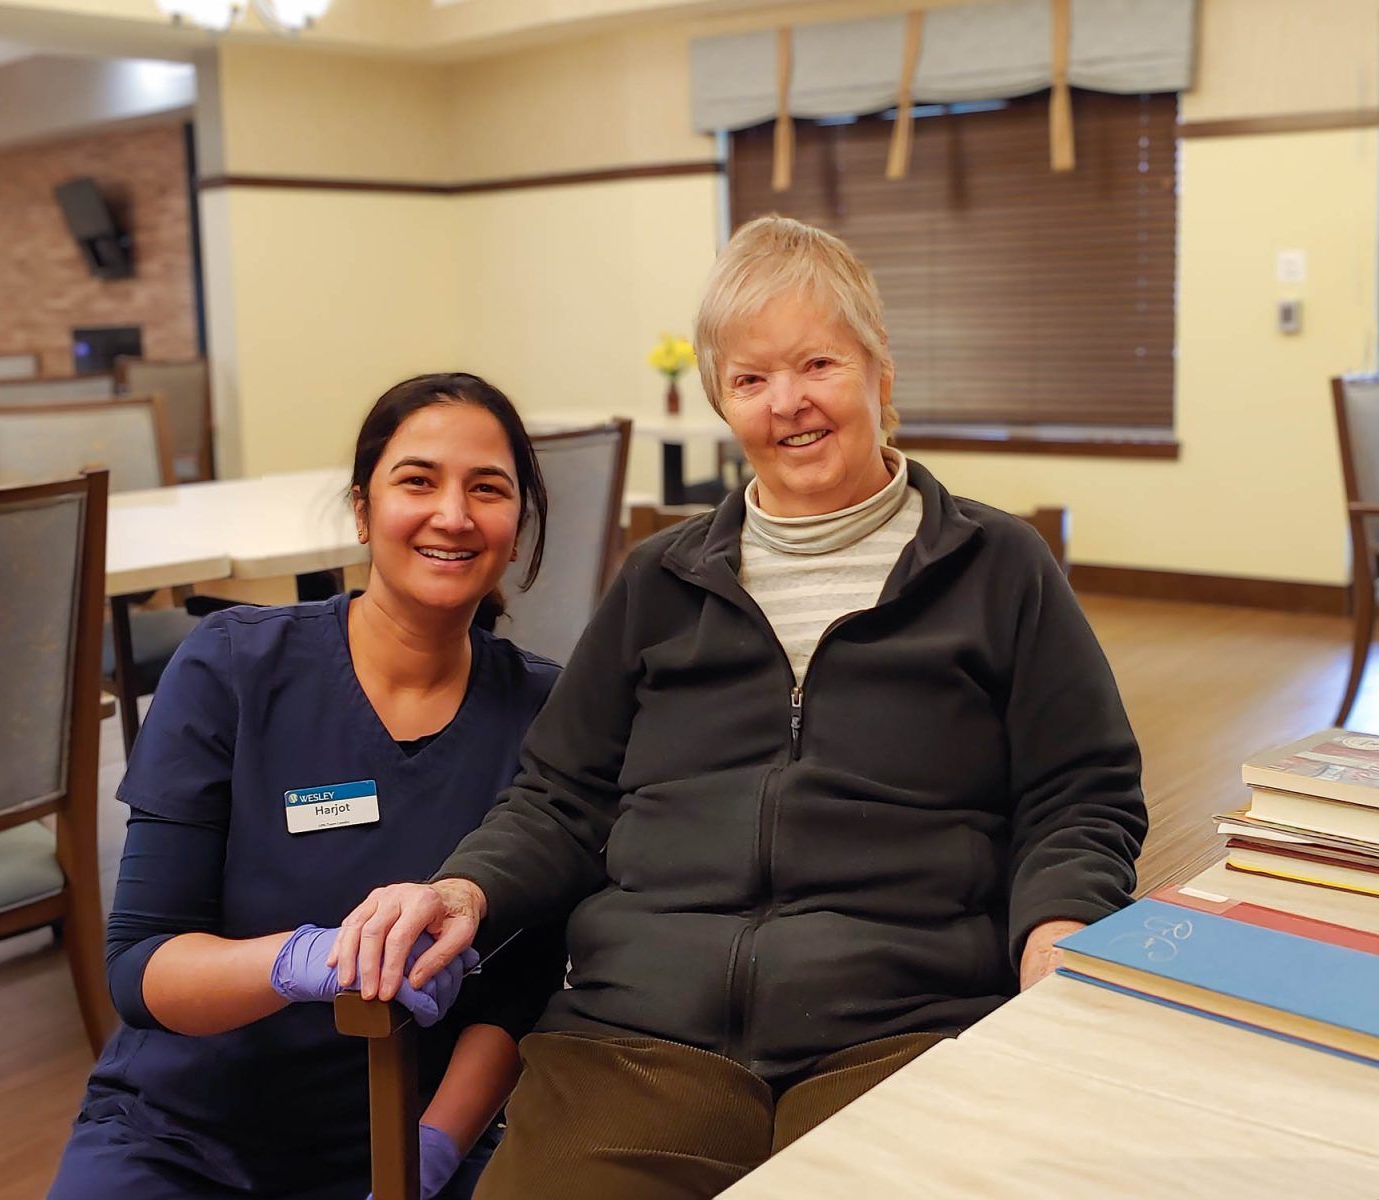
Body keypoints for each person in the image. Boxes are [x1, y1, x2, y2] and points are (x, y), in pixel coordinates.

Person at [333, 217, 1148, 1198]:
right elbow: (559, 794)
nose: (789, 404)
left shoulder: (997, 567)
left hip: (903, 1031)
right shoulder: (657, 581)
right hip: (632, 1040)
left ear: (880, 371)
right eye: (752, 379)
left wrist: (1057, 932)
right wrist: (463, 888)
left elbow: (1080, 794)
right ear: (722, 398)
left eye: (817, 364)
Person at [48, 373, 565, 1200]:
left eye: (488, 489)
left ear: (518, 524)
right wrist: (303, 961)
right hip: (184, 1132)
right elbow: (139, 966)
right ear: (362, 511)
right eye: (417, 480)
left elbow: (519, 995)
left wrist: (427, 1154)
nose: (454, 515)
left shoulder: (544, 712)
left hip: (407, 1134)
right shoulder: (233, 668)